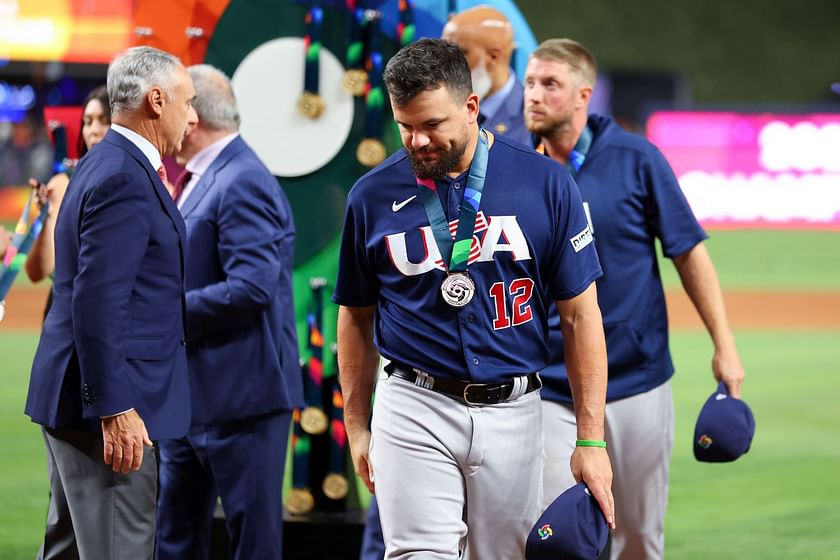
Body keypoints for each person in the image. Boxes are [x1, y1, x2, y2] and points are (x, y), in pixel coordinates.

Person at [335, 38, 613, 560]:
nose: (417, 140)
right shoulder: (370, 196)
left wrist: (591, 439)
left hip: (515, 409)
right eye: (405, 125)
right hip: (413, 402)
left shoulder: (547, 184)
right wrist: (357, 425)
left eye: (432, 124)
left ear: (470, 107)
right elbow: (355, 317)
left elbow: (580, 318)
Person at [524, 38, 746, 560]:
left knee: (639, 539)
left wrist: (725, 344)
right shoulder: (514, 167)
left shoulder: (635, 158)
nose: (533, 94)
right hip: (550, 385)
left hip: (636, 381)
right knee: (559, 538)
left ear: (583, 95)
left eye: (549, 84)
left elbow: (689, 255)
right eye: (531, 82)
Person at [25, 46, 197, 559]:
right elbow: (97, 301)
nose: (192, 115)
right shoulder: (123, 174)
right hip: (108, 409)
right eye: (187, 102)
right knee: (117, 548)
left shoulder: (105, 163)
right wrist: (115, 406)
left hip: (81, 399)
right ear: (157, 99)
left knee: (71, 549)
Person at [155, 64, 303, 560]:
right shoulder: (209, 175)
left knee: (252, 544)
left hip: (243, 401)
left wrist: (162, 310)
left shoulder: (241, 179)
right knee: (173, 539)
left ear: (192, 116)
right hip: (195, 397)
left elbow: (251, 289)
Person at [26, 86, 111, 314]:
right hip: (68, 312)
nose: (94, 130)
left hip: (119, 313)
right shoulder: (64, 183)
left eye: (104, 120)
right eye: (88, 121)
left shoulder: (147, 180)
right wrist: (48, 217)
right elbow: (38, 271)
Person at [441, 5, 530, 145]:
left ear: (494, 56)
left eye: (460, 53)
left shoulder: (534, 119)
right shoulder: (440, 108)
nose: (446, 64)